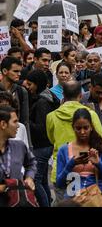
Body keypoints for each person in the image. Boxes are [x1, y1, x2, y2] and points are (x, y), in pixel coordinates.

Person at [46, 80, 102, 203]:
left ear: (63, 95)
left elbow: (51, 139)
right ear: (80, 95)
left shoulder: (51, 116)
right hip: (87, 171)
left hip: (61, 170)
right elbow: (101, 141)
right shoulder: (90, 115)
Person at [55, 108, 102, 202]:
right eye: (78, 128)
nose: (82, 132)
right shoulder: (64, 150)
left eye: (85, 128)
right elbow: (59, 183)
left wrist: (98, 164)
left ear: (91, 127)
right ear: (73, 127)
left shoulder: (101, 148)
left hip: (95, 199)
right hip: (72, 199)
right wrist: (72, 163)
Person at [23, 70, 60, 207]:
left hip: (42, 146)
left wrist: (25, 121)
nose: (28, 86)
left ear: (37, 84)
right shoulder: (46, 96)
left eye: (30, 84)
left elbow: (41, 128)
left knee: (36, 181)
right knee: (43, 180)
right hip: (45, 145)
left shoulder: (42, 102)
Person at [0, 106, 37, 207]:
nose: (18, 126)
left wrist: (29, 178)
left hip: (17, 201)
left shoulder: (19, 146)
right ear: (3, 124)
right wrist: (4, 187)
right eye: (15, 122)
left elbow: (31, 163)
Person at [0, 56, 30, 145]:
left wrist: (28, 145)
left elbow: (25, 120)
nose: (19, 74)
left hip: (16, 135)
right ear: (5, 71)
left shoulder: (21, 91)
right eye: (15, 71)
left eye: (20, 71)